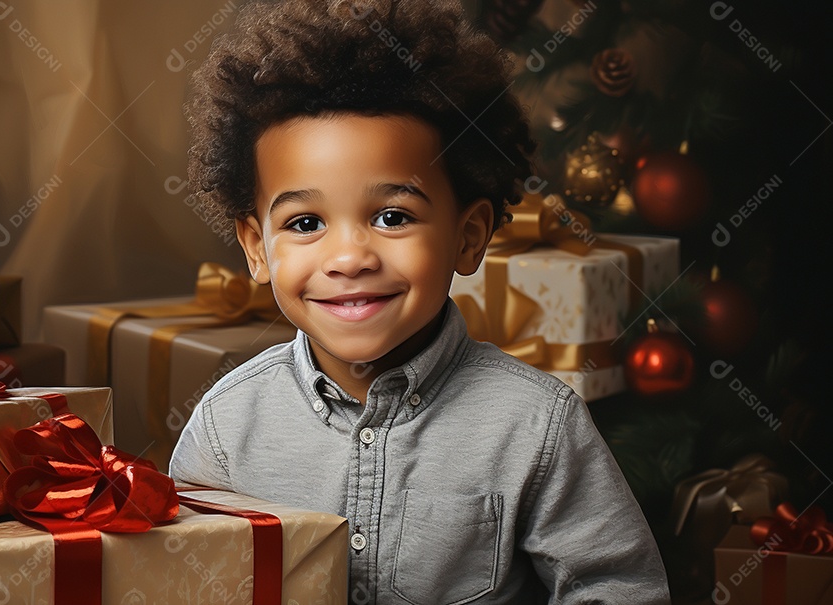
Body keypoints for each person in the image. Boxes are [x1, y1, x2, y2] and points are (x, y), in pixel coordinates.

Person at [169, 0, 671, 602]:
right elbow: (186, 579)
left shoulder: (535, 425)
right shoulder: (226, 426)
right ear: (256, 248)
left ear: (468, 235)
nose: (349, 257)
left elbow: (619, 588)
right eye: (305, 223)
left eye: (391, 216)